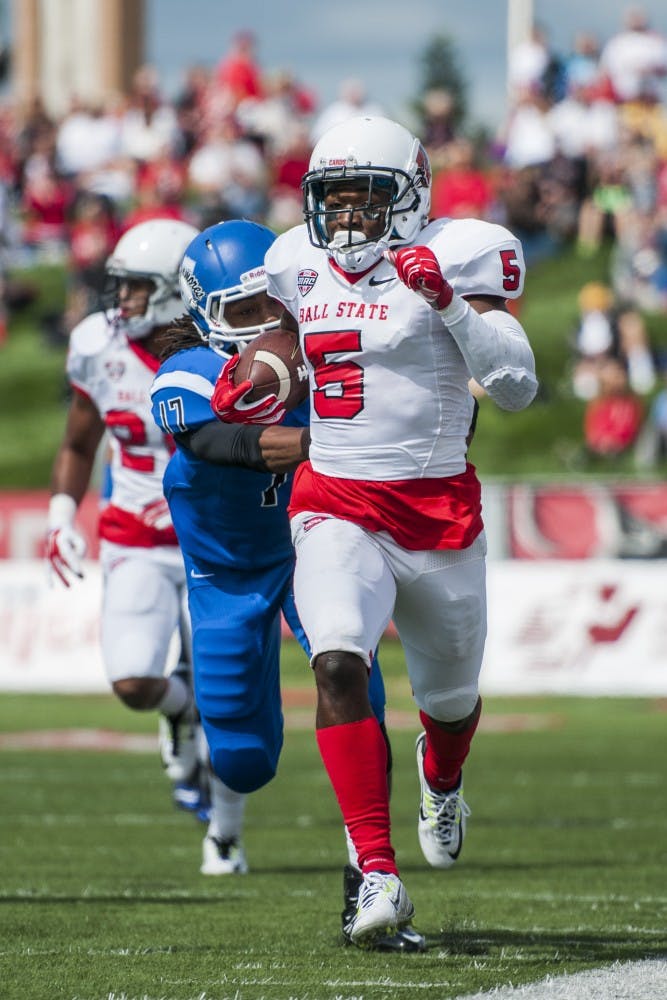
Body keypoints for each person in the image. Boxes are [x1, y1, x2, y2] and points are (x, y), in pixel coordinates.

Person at [210, 115, 538, 946]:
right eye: (334, 198)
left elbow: (515, 387)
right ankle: (377, 873)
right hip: (336, 499)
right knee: (335, 660)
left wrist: (448, 301)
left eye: (365, 197)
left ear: (411, 196)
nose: (347, 216)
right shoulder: (294, 259)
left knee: (450, 702)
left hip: (436, 511)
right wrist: (261, 372)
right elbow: (293, 343)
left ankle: (443, 775)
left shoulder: (464, 250)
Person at [152, 219, 424, 949]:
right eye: (243, 311)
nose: (266, 323)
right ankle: (218, 784)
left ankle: (366, 879)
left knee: (358, 689)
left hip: (312, 547)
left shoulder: (325, 348)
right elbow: (219, 442)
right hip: (224, 572)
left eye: (270, 304)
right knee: (243, 759)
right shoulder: (186, 370)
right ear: (207, 312)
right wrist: (327, 438)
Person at [45, 217, 214, 825]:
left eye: (137, 287)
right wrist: (64, 512)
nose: (123, 300)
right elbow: (78, 442)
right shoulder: (99, 345)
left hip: (213, 538)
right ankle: (182, 710)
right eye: (120, 285)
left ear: (174, 288)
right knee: (135, 683)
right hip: (136, 537)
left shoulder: (220, 346)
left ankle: (223, 826)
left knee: (231, 696)